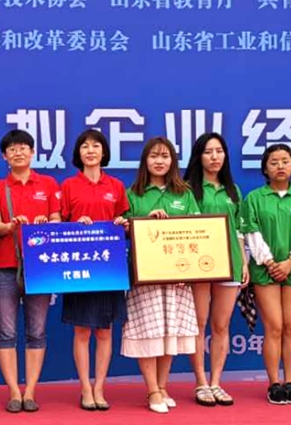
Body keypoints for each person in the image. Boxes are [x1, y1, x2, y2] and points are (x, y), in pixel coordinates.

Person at [122, 137, 200, 414]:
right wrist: (143, 223)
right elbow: (123, 229)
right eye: (154, 156)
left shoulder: (184, 193)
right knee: (149, 331)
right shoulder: (133, 193)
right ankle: (152, 389)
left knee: (170, 330)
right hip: (144, 275)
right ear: (145, 161)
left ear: (173, 161)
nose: (159, 161)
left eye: (165, 156)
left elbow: (197, 230)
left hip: (177, 275)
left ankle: (163, 385)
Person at [241, 144, 291, 405]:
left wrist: (290, 261)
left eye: (285, 161)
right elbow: (251, 233)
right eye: (273, 162)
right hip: (264, 271)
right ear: (265, 168)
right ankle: (274, 383)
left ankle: (290, 382)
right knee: (274, 327)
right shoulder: (254, 198)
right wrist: (269, 261)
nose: (280, 166)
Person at [0, 130, 61, 413]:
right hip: (5, 267)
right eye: (12, 149)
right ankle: (13, 392)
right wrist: (9, 227)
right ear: (4, 156)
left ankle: (30, 391)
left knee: (37, 331)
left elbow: (57, 219)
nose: (18, 153)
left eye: (23, 148)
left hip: (40, 267)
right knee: (6, 331)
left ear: (32, 153)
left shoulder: (48, 184)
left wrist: (47, 225)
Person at [60, 129, 130, 411]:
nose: (90, 151)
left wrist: (123, 224)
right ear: (78, 153)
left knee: (104, 332)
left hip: (109, 268)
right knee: (81, 332)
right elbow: (58, 226)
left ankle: (100, 387)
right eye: (85, 146)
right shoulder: (68, 186)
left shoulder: (116, 186)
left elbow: (124, 222)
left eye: (96, 146)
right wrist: (75, 227)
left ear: (104, 152)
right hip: (79, 266)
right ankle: (85, 388)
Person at [182, 133, 248, 407]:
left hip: (229, 263)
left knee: (221, 325)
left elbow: (240, 230)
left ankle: (216, 382)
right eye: (208, 152)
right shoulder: (187, 189)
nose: (214, 157)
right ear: (199, 156)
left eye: (219, 151)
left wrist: (244, 262)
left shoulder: (233, 190)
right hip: (199, 265)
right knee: (198, 324)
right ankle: (200, 382)